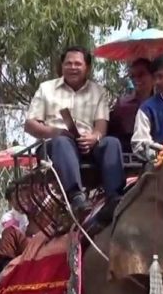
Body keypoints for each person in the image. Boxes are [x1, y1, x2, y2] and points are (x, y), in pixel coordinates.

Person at [24, 45, 125, 214]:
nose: (72, 67)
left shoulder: (98, 91)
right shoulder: (46, 88)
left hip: (87, 145)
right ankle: (76, 196)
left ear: (88, 68)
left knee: (111, 142)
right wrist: (55, 132)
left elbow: (101, 126)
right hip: (54, 146)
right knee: (62, 141)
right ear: (61, 66)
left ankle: (115, 197)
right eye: (68, 63)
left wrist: (94, 137)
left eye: (78, 64)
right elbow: (30, 125)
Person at [108, 58, 154, 152]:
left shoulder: (162, 103)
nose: (136, 79)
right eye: (133, 76)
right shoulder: (122, 104)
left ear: (153, 76)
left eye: (141, 75)